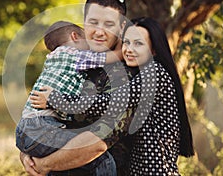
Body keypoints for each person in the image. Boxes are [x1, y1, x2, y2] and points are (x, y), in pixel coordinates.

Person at [29, 17, 195, 175]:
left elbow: (111, 103)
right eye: (127, 42)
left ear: (153, 49)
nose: (129, 49)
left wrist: (54, 99)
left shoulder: (155, 74)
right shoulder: (139, 74)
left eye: (138, 43)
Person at [20, 0, 133, 176]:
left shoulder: (123, 76)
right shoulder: (72, 62)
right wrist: (27, 154)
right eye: (93, 22)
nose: (99, 31)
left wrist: (44, 164)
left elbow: (96, 144)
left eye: (108, 24)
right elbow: (35, 116)